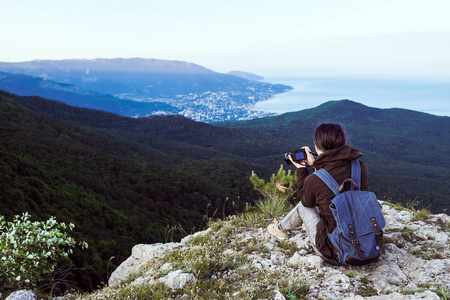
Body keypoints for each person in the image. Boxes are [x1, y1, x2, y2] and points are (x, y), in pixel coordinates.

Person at [267, 122, 369, 263]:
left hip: (337, 251)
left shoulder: (313, 180)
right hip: (366, 243)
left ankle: (280, 229)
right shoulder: (360, 167)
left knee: (304, 206)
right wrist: (316, 164)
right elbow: (331, 183)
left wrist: (302, 169)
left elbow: (306, 201)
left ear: (316, 147)